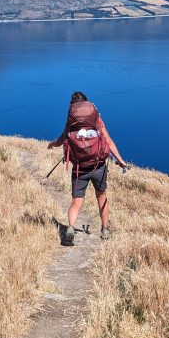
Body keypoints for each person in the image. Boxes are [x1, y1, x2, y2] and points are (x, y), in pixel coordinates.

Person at [48, 91, 127, 245]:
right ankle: (105, 230)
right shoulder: (95, 118)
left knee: (76, 201)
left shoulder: (71, 120)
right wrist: (121, 161)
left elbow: (62, 139)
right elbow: (108, 141)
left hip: (79, 168)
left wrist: (52, 144)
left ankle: (70, 228)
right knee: (101, 197)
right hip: (98, 166)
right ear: (87, 103)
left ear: (73, 106)